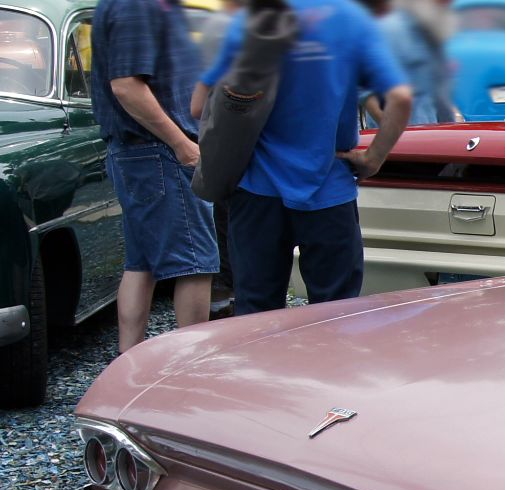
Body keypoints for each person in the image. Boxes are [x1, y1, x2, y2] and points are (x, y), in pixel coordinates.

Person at [194, 0, 413, 314]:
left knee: (256, 314)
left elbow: (199, 107)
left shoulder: (253, 18)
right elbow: (400, 98)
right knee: (335, 315)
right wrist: (374, 158)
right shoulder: (351, 19)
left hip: (257, 190)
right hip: (330, 189)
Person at [91, 0, 218, 354]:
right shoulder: (137, 4)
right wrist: (183, 145)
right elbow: (126, 85)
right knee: (196, 263)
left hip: (144, 152)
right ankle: (190, 369)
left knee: (141, 264)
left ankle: (128, 364)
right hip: (158, 151)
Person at [375, 0, 456, 124]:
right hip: (403, 136)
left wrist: (450, 127)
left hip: (432, 133)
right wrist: (391, 131)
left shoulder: (431, 32)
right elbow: (366, 92)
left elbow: (439, 96)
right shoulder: (391, 30)